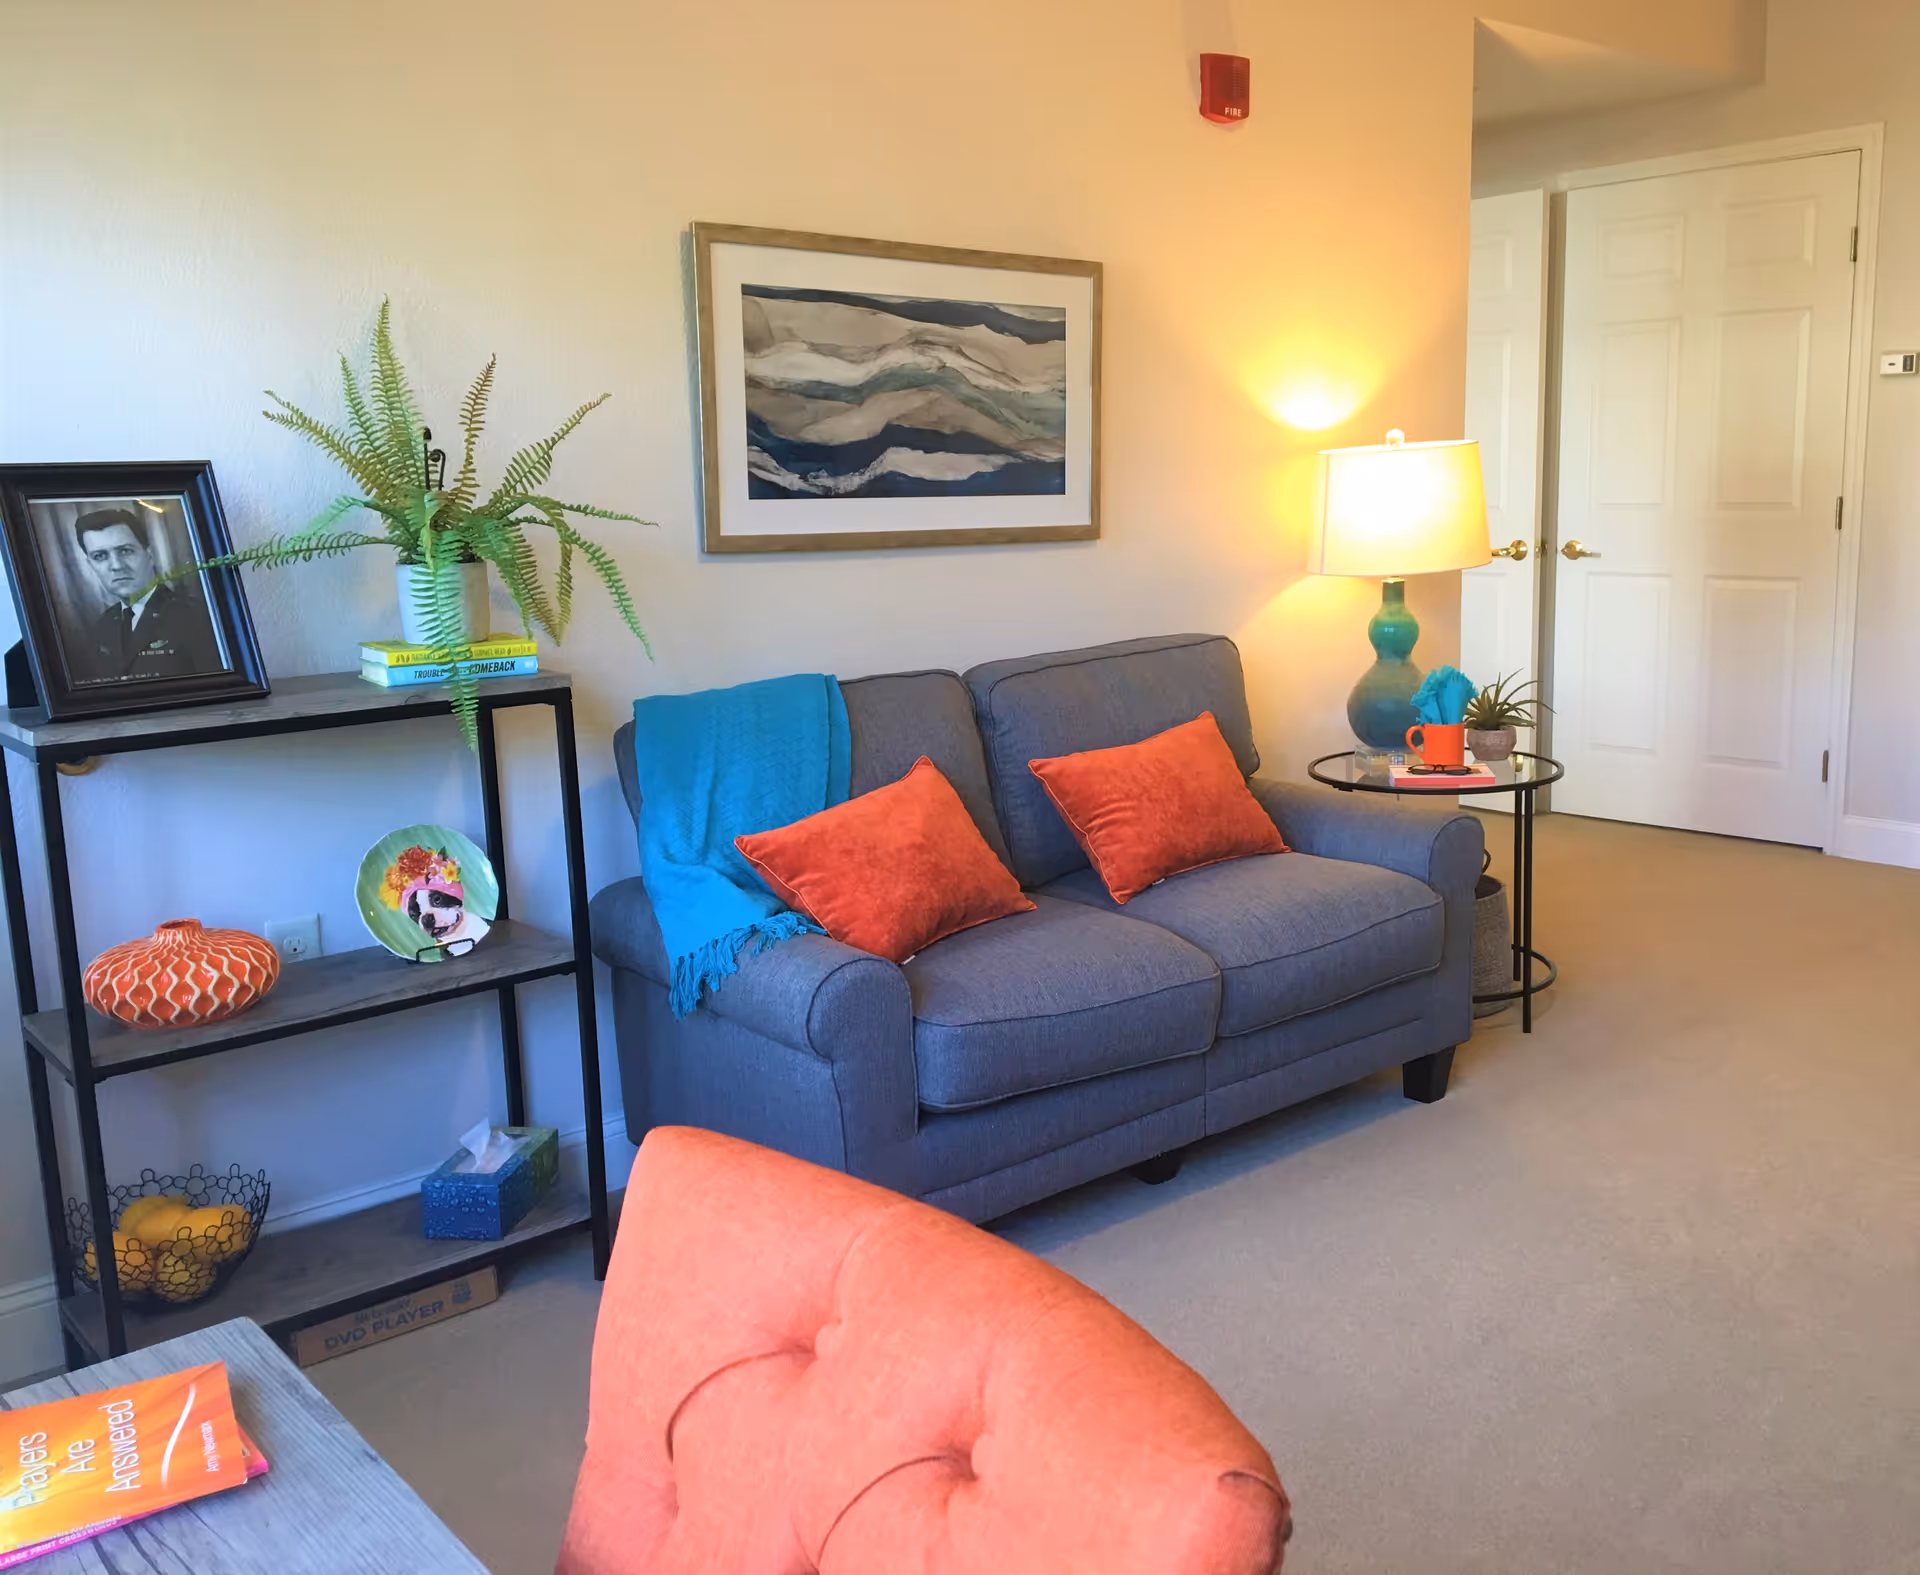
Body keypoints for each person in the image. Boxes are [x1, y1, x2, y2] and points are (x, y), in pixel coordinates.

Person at [70, 508, 222, 683]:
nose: (116, 566)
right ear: (91, 565)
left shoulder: (195, 616)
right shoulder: (101, 627)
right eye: (100, 556)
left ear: (148, 554)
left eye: (125, 551)